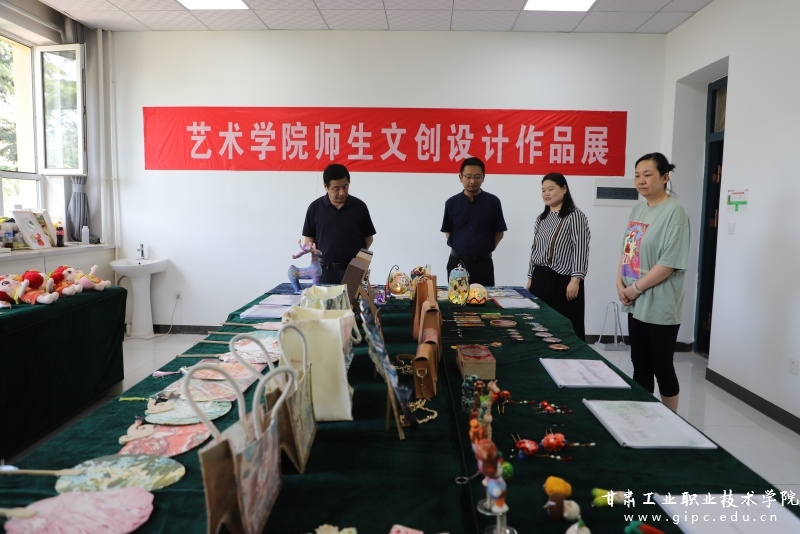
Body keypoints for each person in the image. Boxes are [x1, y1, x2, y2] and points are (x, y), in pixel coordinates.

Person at [617, 152, 690, 412]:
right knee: (640, 364)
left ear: (665, 177)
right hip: (635, 301)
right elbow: (628, 250)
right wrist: (620, 284)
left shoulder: (675, 212)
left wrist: (635, 288)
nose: (641, 180)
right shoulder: (638, 208)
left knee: (662, 366)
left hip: (660, 302)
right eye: (637, 175)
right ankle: (643, 417)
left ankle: (672, 421)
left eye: (648, 175)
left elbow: (669, 262)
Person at [526, 172, 590, 341]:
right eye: (543, 190)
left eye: (550, 189)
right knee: (540, 325)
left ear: (564, 189)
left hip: (563, 280)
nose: (546, 193)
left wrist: (576, 280)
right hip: (540, 277)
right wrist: (530, 277)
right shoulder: (541, 219)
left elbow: (581, 248)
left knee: (563, 327)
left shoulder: (575, 215)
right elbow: (535, 249)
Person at [302, 163, 376, 285]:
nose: (342, 192)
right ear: (326, 187)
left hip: (354, 269)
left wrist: (358, 260)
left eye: (345, 187)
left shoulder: (359, 207)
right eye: (336, 188)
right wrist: (312, 251)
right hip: (325, 271)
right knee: (325, 297)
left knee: (353, 298)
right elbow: (309, 237)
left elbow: (369, 238)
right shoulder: (315, 208)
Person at [441, 157, 507, 286]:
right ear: (461, 177)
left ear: (483, 178)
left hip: (483, 264)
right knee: (457, 297)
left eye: (477, 177)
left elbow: (499, 232)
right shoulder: (451, 203)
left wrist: (486, 248)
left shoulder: (493, 202)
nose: (472, 181)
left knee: (484, 297)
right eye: (468, 176)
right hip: (457, 263)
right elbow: (448, 231)